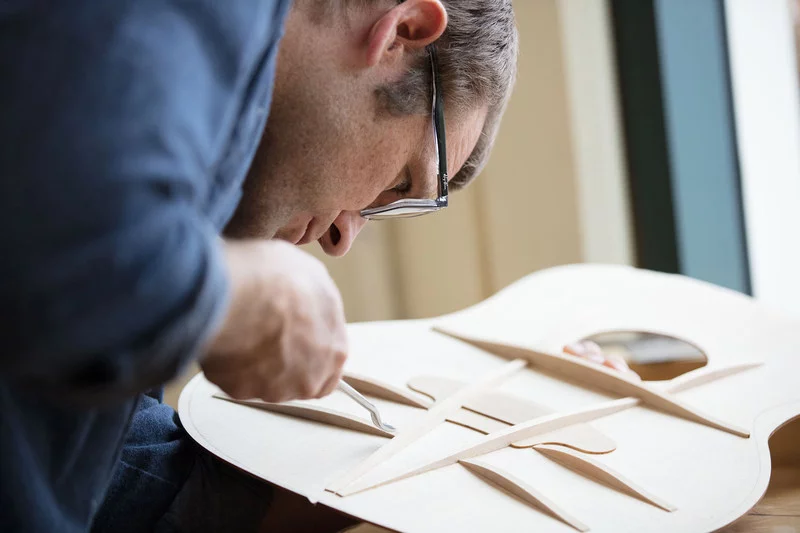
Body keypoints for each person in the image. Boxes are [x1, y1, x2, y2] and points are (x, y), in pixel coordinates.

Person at [0, 1, 635, 531]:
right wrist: (236, 296)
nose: (342, 236)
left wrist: (448, 461)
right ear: (402, 30)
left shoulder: (174, 189)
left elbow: (108, 481)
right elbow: (62, 247)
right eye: (397, 183)